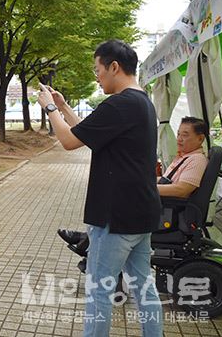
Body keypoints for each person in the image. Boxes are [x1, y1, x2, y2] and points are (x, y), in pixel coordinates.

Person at [37, 40, 162, 337]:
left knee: (99, 294)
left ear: (114, 67)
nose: (97, 76)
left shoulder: (119, 104)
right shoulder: (142, 102)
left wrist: (50, 108)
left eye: (98, 70)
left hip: (115, 218)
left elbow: (68, 142)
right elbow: (86, 133)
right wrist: (64, 106)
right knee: (145, 288)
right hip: (141, 216)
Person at [59, 116, 210, 254]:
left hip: (171, 212)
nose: (179, 139)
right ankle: (88, 238)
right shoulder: (183, 157)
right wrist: (138, 180)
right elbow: (164, 180)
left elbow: (181, 190)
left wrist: (144, 189)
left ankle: (87, 240)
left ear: (200, 138)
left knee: (118, 204)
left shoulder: (196, 160)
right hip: (162, 205)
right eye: (178, 134)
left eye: (185, 135)